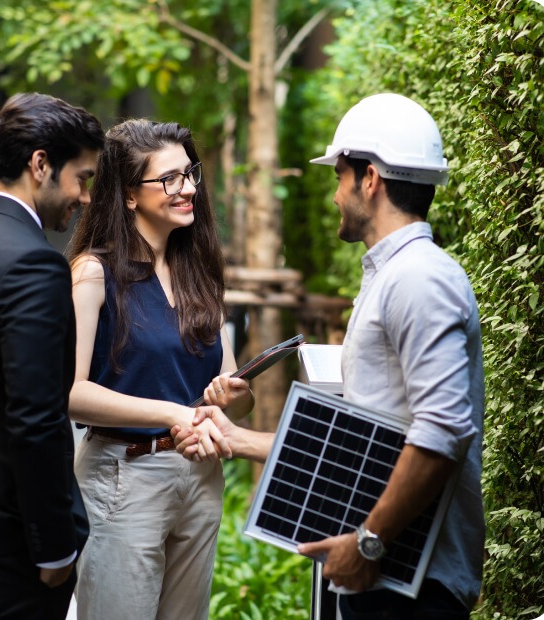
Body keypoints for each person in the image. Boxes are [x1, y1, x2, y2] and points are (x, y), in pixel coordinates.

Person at [173, 93, 485, 619]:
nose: (334, 196)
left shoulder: (419, 280)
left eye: (339, 178)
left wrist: (368, 541)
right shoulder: (394, 277)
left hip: (410, 584)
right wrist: (237, 439)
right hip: (386, 573)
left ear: (371, 180)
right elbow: (367, 443)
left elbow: (441, 433)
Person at [66, 118, 253, 620]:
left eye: (189, 174)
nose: (188, 187)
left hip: (200, 476)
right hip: (122, 475)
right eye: (169, 179)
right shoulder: (92, 271)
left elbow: (236, 390)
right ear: (129, 195)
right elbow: (71, 392)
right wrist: (174, 412)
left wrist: (230, 394)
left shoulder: (202, 272)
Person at [0, 92, 104, 619]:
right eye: (83, 177)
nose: (85, 197)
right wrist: (53, 545)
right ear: (40, 165)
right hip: (12, 553)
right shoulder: (32, 264)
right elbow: (35, 419)